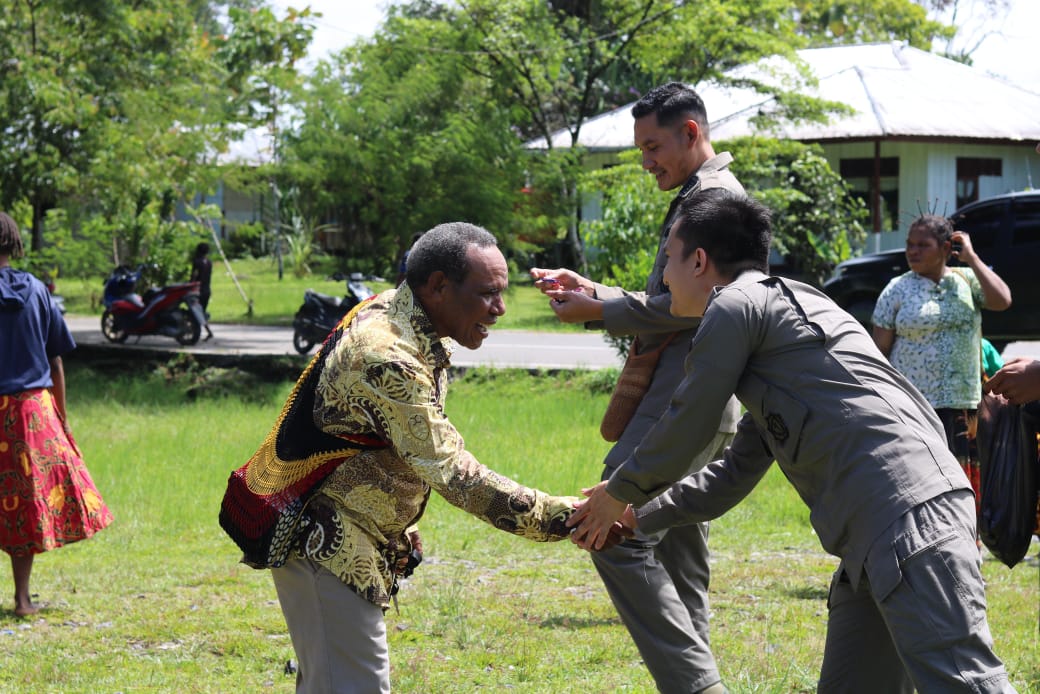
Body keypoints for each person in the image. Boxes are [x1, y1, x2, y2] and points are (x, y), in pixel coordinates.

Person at [568, 189, 1017, 693]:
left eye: (668, 260)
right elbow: (734, 471)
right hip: (875, 539)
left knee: (965, 684)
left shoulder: (735, 304)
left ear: (699, 260)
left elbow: (687, 419)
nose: (663, 277)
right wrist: (639, 516)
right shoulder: (783, 320)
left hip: (908, 522)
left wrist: (620, 490)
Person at [233, 222, 576, 694]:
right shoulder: (386, 355)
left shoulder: (395, 314)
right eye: (487, 294)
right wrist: (567, 518)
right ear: (437, 287)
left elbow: (383, 444)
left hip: (348, 536)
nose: (499, 309)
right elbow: (455, 474)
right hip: (326, 544)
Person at [530, 82, 742, 694]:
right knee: (679, 552)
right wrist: (593, 291)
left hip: (686, 398)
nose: (646, 161)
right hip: (702, 399)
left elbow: (693, 310)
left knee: (609, 527)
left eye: (653, 147)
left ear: (691, 133)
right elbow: (677, 297)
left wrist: (598, 311)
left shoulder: (712, 202)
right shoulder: (704, 196)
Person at [0, 211, 113, 617]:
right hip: (33, 414)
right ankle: (22, 598)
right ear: (14, 244)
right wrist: (61, 418)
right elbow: (57, 361)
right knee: (22, 506)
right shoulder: (36, 290)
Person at [871, 215, 1012, 512]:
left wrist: (971, 257)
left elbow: (1002, 300)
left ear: (947, 248)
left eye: (923, 245)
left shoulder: (967, 280)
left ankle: (963, 549)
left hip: (961, 406)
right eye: (910, 244)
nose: (913, 251)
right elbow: (879, 352)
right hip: (912, 406)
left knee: (961, 488)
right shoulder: (896, 289)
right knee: (916, 483)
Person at [190, 242, 214, 340]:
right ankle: (207, 332)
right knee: (201, 312)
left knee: (196, 312)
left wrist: (190, 284)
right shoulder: (209, 262)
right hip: (207, 290)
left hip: (198, 290)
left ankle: (198, 333)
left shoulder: (197, 262)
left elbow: (194, 276)